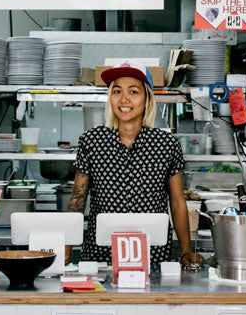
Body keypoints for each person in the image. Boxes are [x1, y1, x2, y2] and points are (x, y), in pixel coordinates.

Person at [65, 65, 202, 267]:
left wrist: (185, 250)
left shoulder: (166, 144)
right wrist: (66, 250)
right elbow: (77, 199)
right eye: (117, 91)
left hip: (152, 255)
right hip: (102, 256)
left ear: (147, 100)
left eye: (133, 91)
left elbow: (177, 202)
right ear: (110, 98)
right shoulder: (91, 141)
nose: (124, 99)